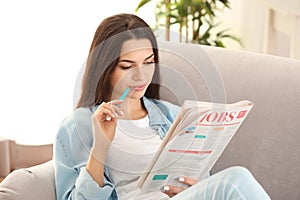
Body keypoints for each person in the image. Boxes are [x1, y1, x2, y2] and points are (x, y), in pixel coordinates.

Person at [54, 13, 271, 200]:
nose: (141, 76)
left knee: (231, 183)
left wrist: (194, 188)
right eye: (127, 66)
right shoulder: (77, 125)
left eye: (148, 62)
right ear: (105, 68)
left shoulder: (173, 115)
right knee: (235, 179)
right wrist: (100, 147)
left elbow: (203, 180)